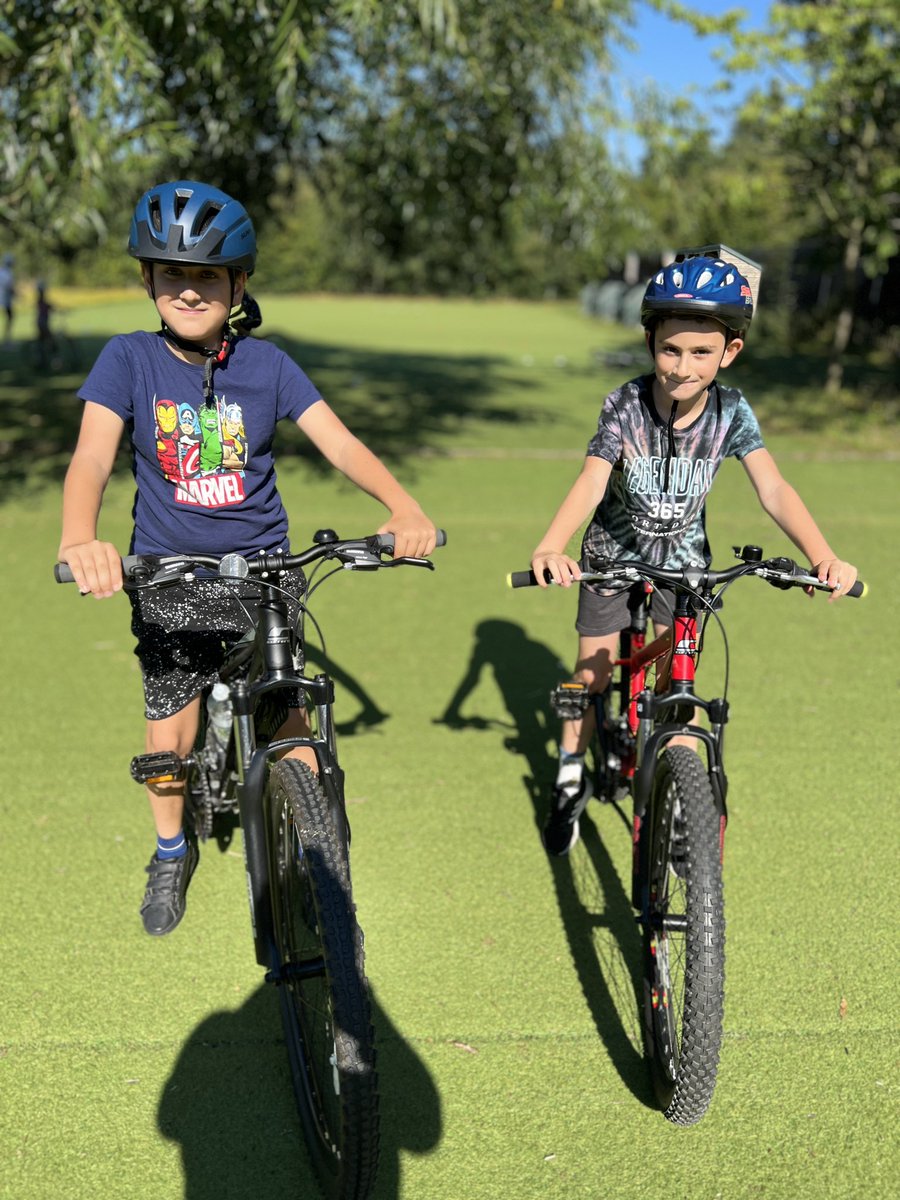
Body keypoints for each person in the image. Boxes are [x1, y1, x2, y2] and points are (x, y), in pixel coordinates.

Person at [58, 180, 438, 935]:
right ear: (148, 281)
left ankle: (325, 868)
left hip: (266, 572)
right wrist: (80, 535)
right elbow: (92, 458)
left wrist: (403, 508)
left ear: (238, 283)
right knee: (172, 719)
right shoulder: (127, 360)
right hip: (170, 572)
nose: (189, 289)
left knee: (290, 714)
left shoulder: (268, 366)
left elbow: (339, 443)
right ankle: (170, 850)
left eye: (207, 276)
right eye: (173, 275)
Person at [530, 253, 858, 856]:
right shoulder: (624, 405)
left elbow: (774, 488)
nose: (683, 367)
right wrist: (552, 544)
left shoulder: (732, 412)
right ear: (650, 340)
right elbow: (593, 480)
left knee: (676, 693)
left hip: (684, 569)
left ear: (729, 352)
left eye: (700, 353)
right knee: (594, 673)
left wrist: (823, 554)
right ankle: (570, 766)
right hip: (610, 558)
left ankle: (684, 814)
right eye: (670, 349)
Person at [0, 253, 14, 343]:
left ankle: (7, 338)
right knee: (10, 317)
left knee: (9, 317)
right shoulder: (7, 273)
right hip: (5, 299)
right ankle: (7, 339)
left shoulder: (1, 271)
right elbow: (9, 287)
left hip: (4, 299)